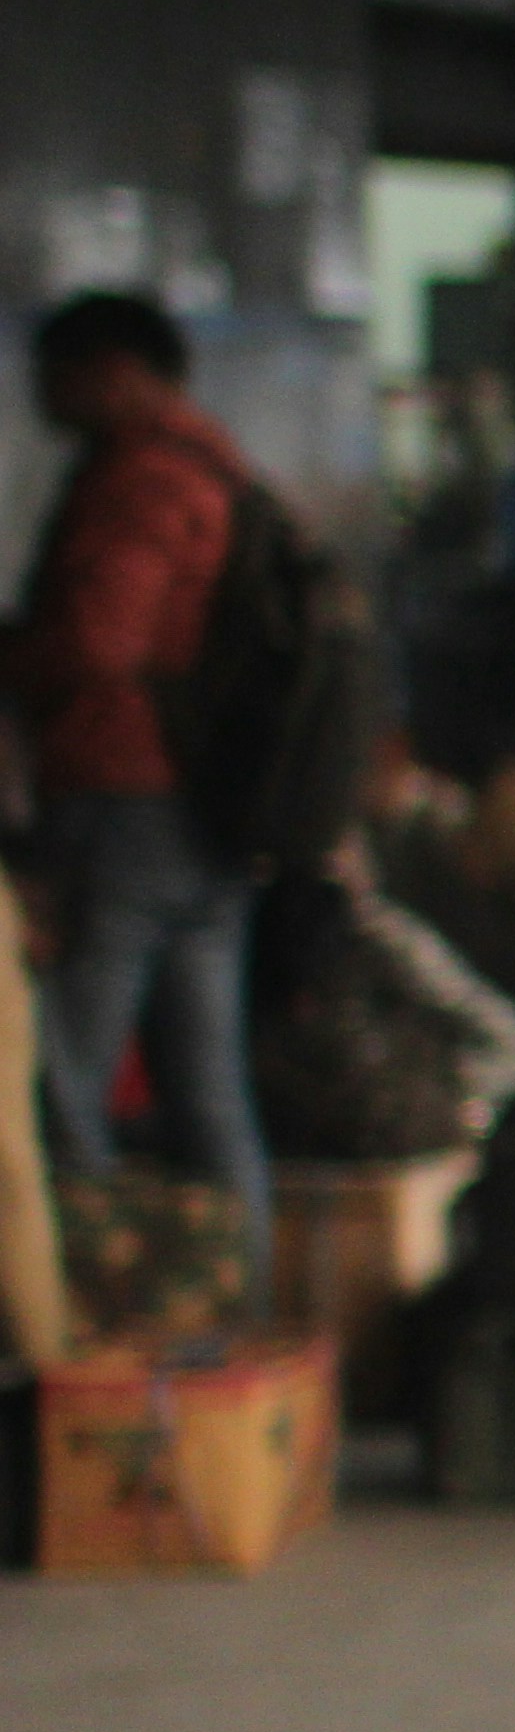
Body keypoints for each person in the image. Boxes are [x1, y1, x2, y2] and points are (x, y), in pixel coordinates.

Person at [8, 292, 277, 1281]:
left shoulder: (139, 481)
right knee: (210, 1096)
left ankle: (85, 1310)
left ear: (115, 370)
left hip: (126, 798)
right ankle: (235, 1319)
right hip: (205, 812)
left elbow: (99, 638)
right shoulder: (218, 468)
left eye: (55, 375)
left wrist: (19, 657)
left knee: (60, 1083)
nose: (44, 398)